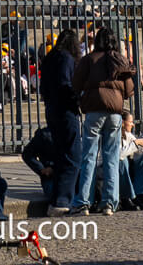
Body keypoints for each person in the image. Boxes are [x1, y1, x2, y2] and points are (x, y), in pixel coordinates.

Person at [69, 24, 134, 216]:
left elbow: (76, 83)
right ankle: (109, 203)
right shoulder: (120, 60)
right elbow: (130, 90)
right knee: (111, 157)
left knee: (88, 156)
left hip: (94, 110)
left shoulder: (90, 59)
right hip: (115, 112)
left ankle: (83, 202)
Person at [38, 29, 82, 212]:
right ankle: (63, 201)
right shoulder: (66, 58)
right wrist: (77, 99)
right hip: (65, 110)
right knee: (72, 156)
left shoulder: (50, 58)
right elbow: (65, 84)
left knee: (61, 156)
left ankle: (56, 200)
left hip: (52, 109)